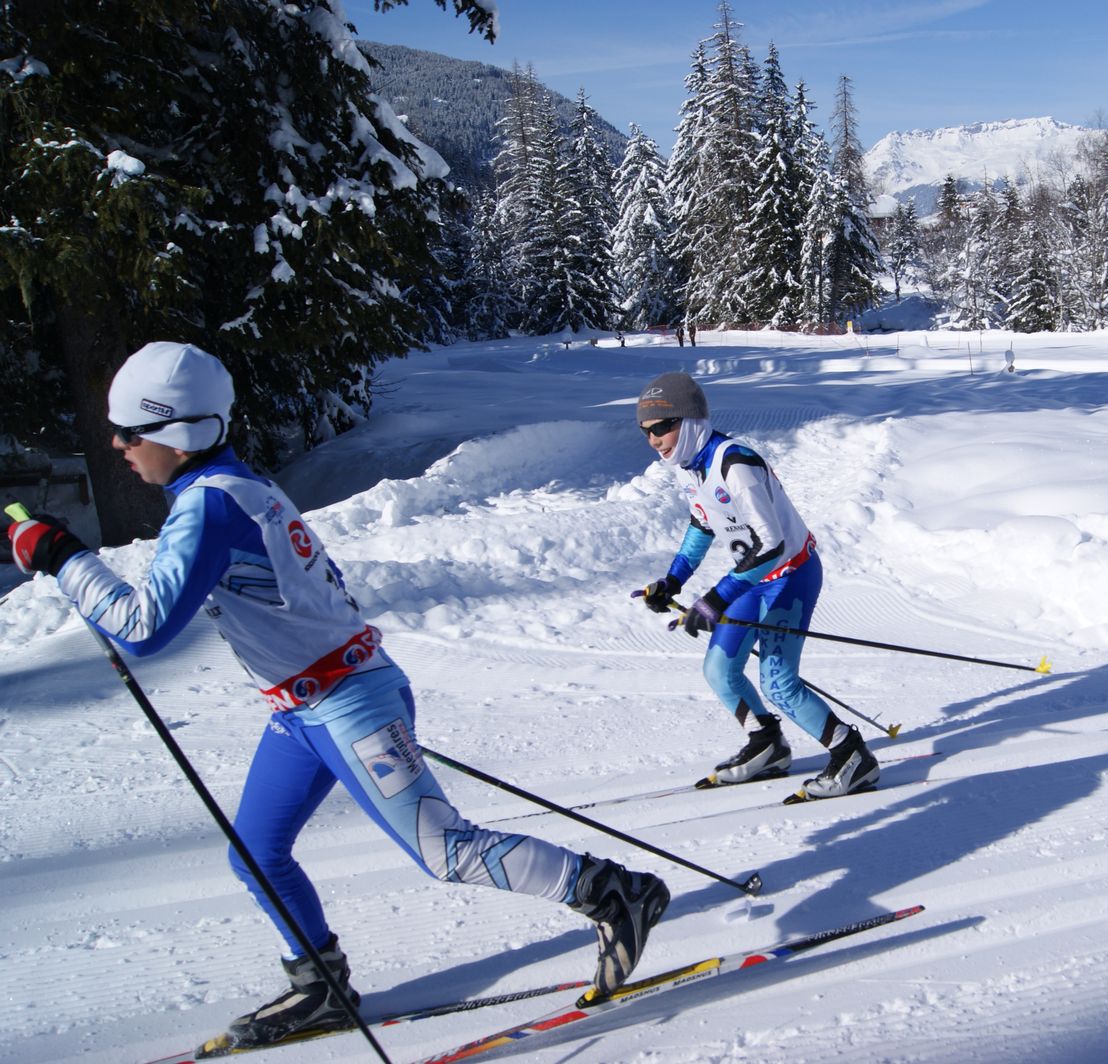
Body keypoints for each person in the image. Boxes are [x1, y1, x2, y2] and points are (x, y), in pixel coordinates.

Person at [5, 341, 669, 1053]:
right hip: (306, 709)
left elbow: (141, 630)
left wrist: (61, 556)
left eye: (131, 432)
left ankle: (614, 892)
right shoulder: (238, 488)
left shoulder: (210, 507)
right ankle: (319, 984)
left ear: (179, 433)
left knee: (445, 851)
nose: (118, 445)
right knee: (257, 852)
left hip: (349, 702)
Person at [631, 372, 880, 801]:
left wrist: (716, 598)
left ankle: (852, 757)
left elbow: (771, 544)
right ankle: (767, 745)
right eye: (646, 431)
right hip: (753, 580)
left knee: (778, 681)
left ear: (689, 421)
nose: (654, 439)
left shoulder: (735, 464)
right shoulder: (692, 466)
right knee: (719, 670)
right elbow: (702, 525)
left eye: (663, 426)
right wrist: (672, 581)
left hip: (790, 575)